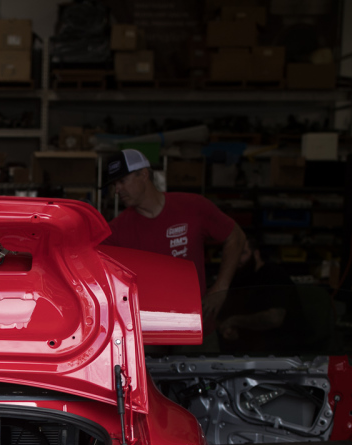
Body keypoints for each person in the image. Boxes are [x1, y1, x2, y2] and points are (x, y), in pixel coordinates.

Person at [103, 149, 247, 318]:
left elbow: (235, 236)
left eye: (122, 181)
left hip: (195, 324)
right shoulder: (116, 230)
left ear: (143, 175)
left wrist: (221, 288)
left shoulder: (193, 207)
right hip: (149, 328)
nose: (117, 190)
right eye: (114, 185)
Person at [214, 237, 306, 354]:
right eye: (234, 255)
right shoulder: (240, 278)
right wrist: (228, 329)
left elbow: (274, 318)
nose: (238, 260)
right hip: (250, 349)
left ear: (256, 254)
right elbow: (223, 314)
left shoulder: (273, 274)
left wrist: (234, 321)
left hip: (284, 349)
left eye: (243, 253)